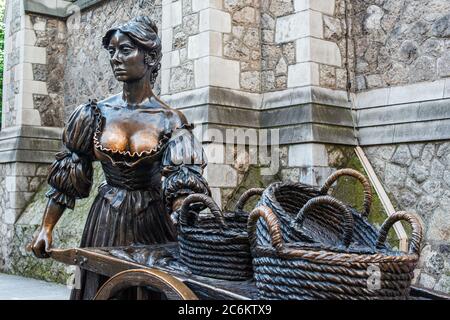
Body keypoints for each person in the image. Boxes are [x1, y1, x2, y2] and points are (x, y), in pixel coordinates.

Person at [29, 16, 210, 300]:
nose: (115, 58)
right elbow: (67, 176)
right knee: (100, 290)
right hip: (104, 221)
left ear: (150, 57)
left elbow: (182, 187)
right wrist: (46, 228)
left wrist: (184, 219)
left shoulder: (170, 120)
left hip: (152, 225)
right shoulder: (93, 114)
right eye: (112, 51)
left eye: (125, 50)